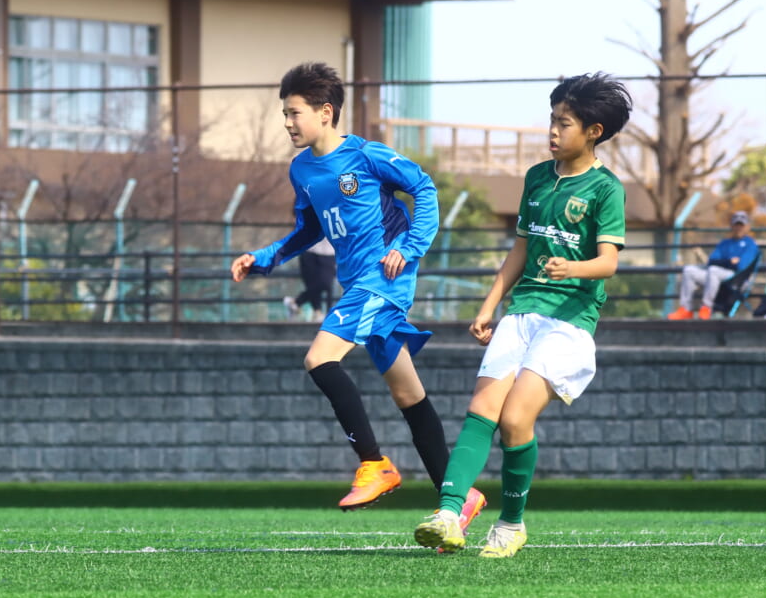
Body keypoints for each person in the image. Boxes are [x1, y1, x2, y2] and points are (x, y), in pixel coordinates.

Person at [231, 61, 486, 524]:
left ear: (325, 112)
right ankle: (458, 493)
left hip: (382, 280)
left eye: (294, 113)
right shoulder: (301, 170)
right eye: (284, 113)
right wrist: (262, 257)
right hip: (359, 285)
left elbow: (424, 188)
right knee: (408, 394)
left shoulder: (367, 156)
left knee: (319, 359)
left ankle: (374, 463)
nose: (287, 122)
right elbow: (309, 229)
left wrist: (408, 247)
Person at [413, 73, 633, 558]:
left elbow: (609, 262)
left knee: (515, 419)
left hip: (569, 322)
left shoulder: (605, 188)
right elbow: (520, 249)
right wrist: (489, 305)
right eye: (552, 120)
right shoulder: (536, 177)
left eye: (564, 123)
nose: (552, 130)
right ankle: (448, 513)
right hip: (521, 313)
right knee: (482, 409)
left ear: (593, 131)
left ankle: (511, 524)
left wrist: (573, 267)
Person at [666, 211, 760, 320]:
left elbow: (741, 266)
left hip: (736, 279)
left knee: (713, 270)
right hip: (715, 275)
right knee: (689, 270)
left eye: (741, 225)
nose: (738, 228)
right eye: (736, 225)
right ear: (732, 226)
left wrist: (723, 262)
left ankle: (706, 307)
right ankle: (686, 309)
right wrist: (729, 262)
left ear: (747, 227)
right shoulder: (725, 243)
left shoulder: (750, 244)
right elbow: (711, 261)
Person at [283, 238, 336, 321]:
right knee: (312, 284)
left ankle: (295, 302)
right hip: (308, 249)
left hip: (329, 251)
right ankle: (318, 313)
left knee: (326, 283)